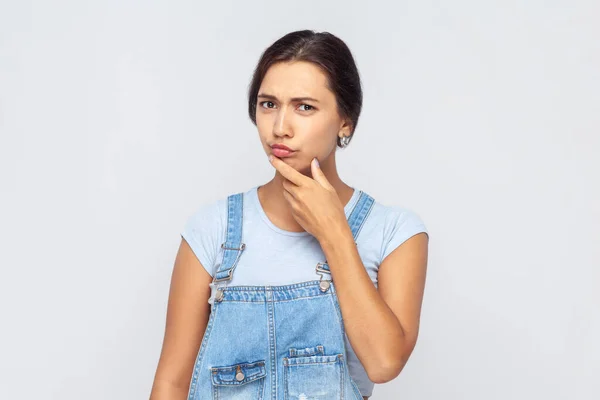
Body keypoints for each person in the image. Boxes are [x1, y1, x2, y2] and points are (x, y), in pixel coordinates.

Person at [150, 30, 429, 400]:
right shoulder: (214, 229)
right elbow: (171, 383)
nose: (280, 127)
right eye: (268, 104)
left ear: (345, 121)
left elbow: (383, 362)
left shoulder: (394, 232)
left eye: (305, 107)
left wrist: (334, 232)